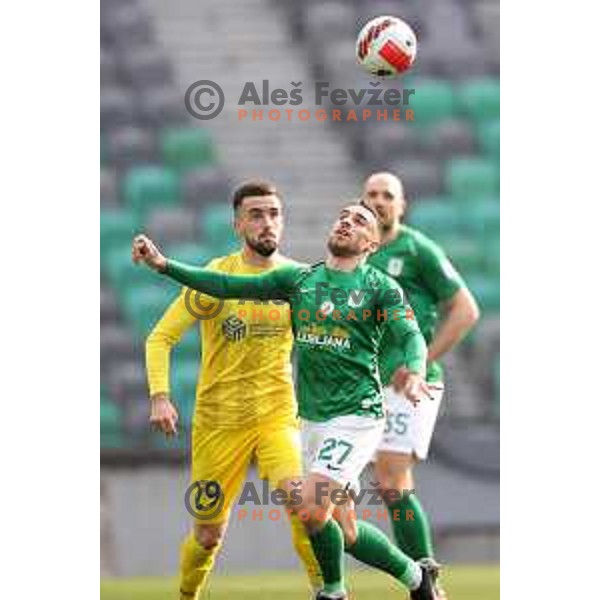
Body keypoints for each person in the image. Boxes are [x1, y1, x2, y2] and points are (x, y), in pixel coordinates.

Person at [133, 203, 440, 600]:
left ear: (373, 243)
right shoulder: (299, 280)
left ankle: (332, 592)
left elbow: (411, 336)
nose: (346, 220)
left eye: (359, 220)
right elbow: (224, 285)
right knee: (344, 531)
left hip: (356, 416)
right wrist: (163, 265)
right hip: (312, 420)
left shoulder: (380, 287)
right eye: (342, 215)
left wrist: (415, 370)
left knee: (309, 507)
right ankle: (418, 578)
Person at [144, 181, 322, 599]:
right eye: (257, 214)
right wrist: (160, 396)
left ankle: (329, 591)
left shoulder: (299, 281)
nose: (267, 223)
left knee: (303, 504)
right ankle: (187, 596)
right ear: (238, 223)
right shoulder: (216, 278)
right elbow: (160, 338)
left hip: (277, 415)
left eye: (274, 214)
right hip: (218, 422)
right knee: (207, 535)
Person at [362, 172, 480, 598]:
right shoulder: (358, 255)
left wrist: (420, 362)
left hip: (411, 384)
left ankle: (426, 580)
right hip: (365, 382)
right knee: (381, 487)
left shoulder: (418, 249)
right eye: (371, 194)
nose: (378, 201)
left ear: (402, 204)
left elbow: (465, 309)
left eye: (387, 195)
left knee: (393, 480)